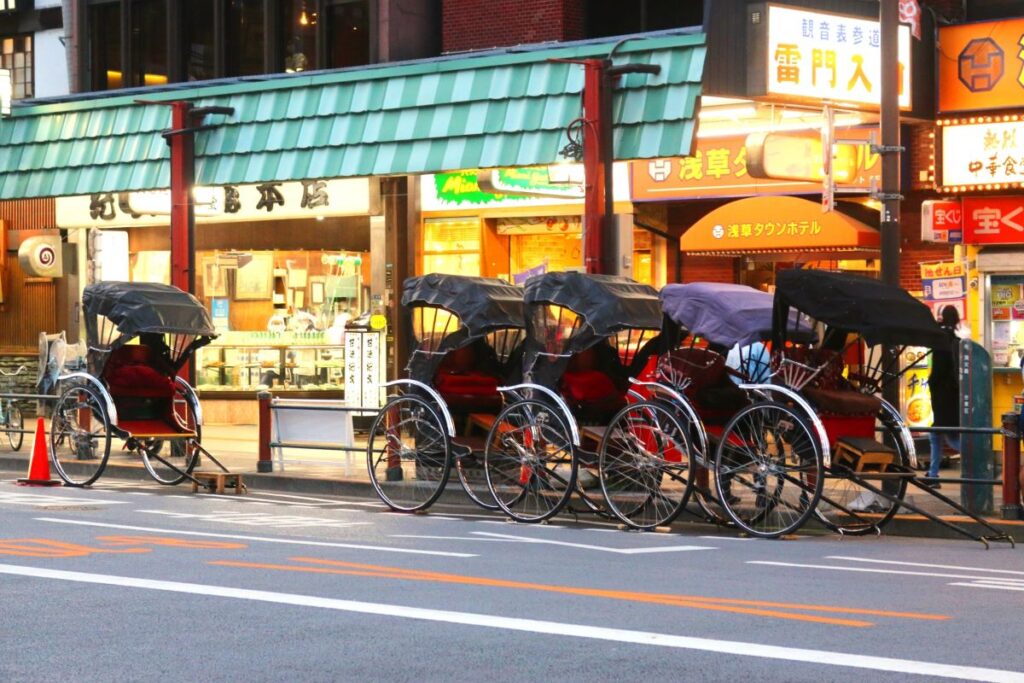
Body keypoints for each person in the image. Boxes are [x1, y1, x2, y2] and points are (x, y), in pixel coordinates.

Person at [927, 305, 962, 487]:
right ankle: (932, 474)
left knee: (946, 435)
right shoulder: (956, 341)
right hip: (953, 393)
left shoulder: (939, 340)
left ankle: (933, 475)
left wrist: (931, 382)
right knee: (943, 433)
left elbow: (938, 370)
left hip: (941, 393)